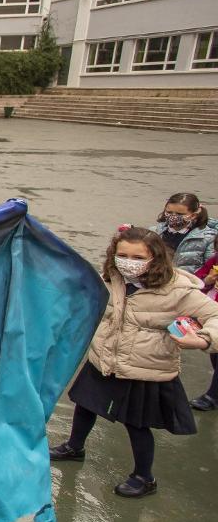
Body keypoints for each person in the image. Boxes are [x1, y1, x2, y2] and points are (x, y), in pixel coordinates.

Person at [49, 226, 218, 498]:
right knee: (85, 405)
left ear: (156, 258)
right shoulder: (111, 279)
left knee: (137, 425)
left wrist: (204, 339)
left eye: (138, 257)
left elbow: (215, 316)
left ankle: (144, 477)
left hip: (145, 368)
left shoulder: (178, 290)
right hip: (104, 359)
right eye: (122, 254)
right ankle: (74, 447)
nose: (129, 261)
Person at [188, 236, 218, 412]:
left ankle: (212, 397)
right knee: (214, 353)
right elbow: (198, 280)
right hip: (212, 311)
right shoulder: (214, 261)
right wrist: (207, 280)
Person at [151, 193, 217, 271]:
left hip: (190, 281)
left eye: (179, 214)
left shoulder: (208, 238)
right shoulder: (154, 232)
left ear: (193, 215)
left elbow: (210, 267)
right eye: (169, 212)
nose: (173, 216)